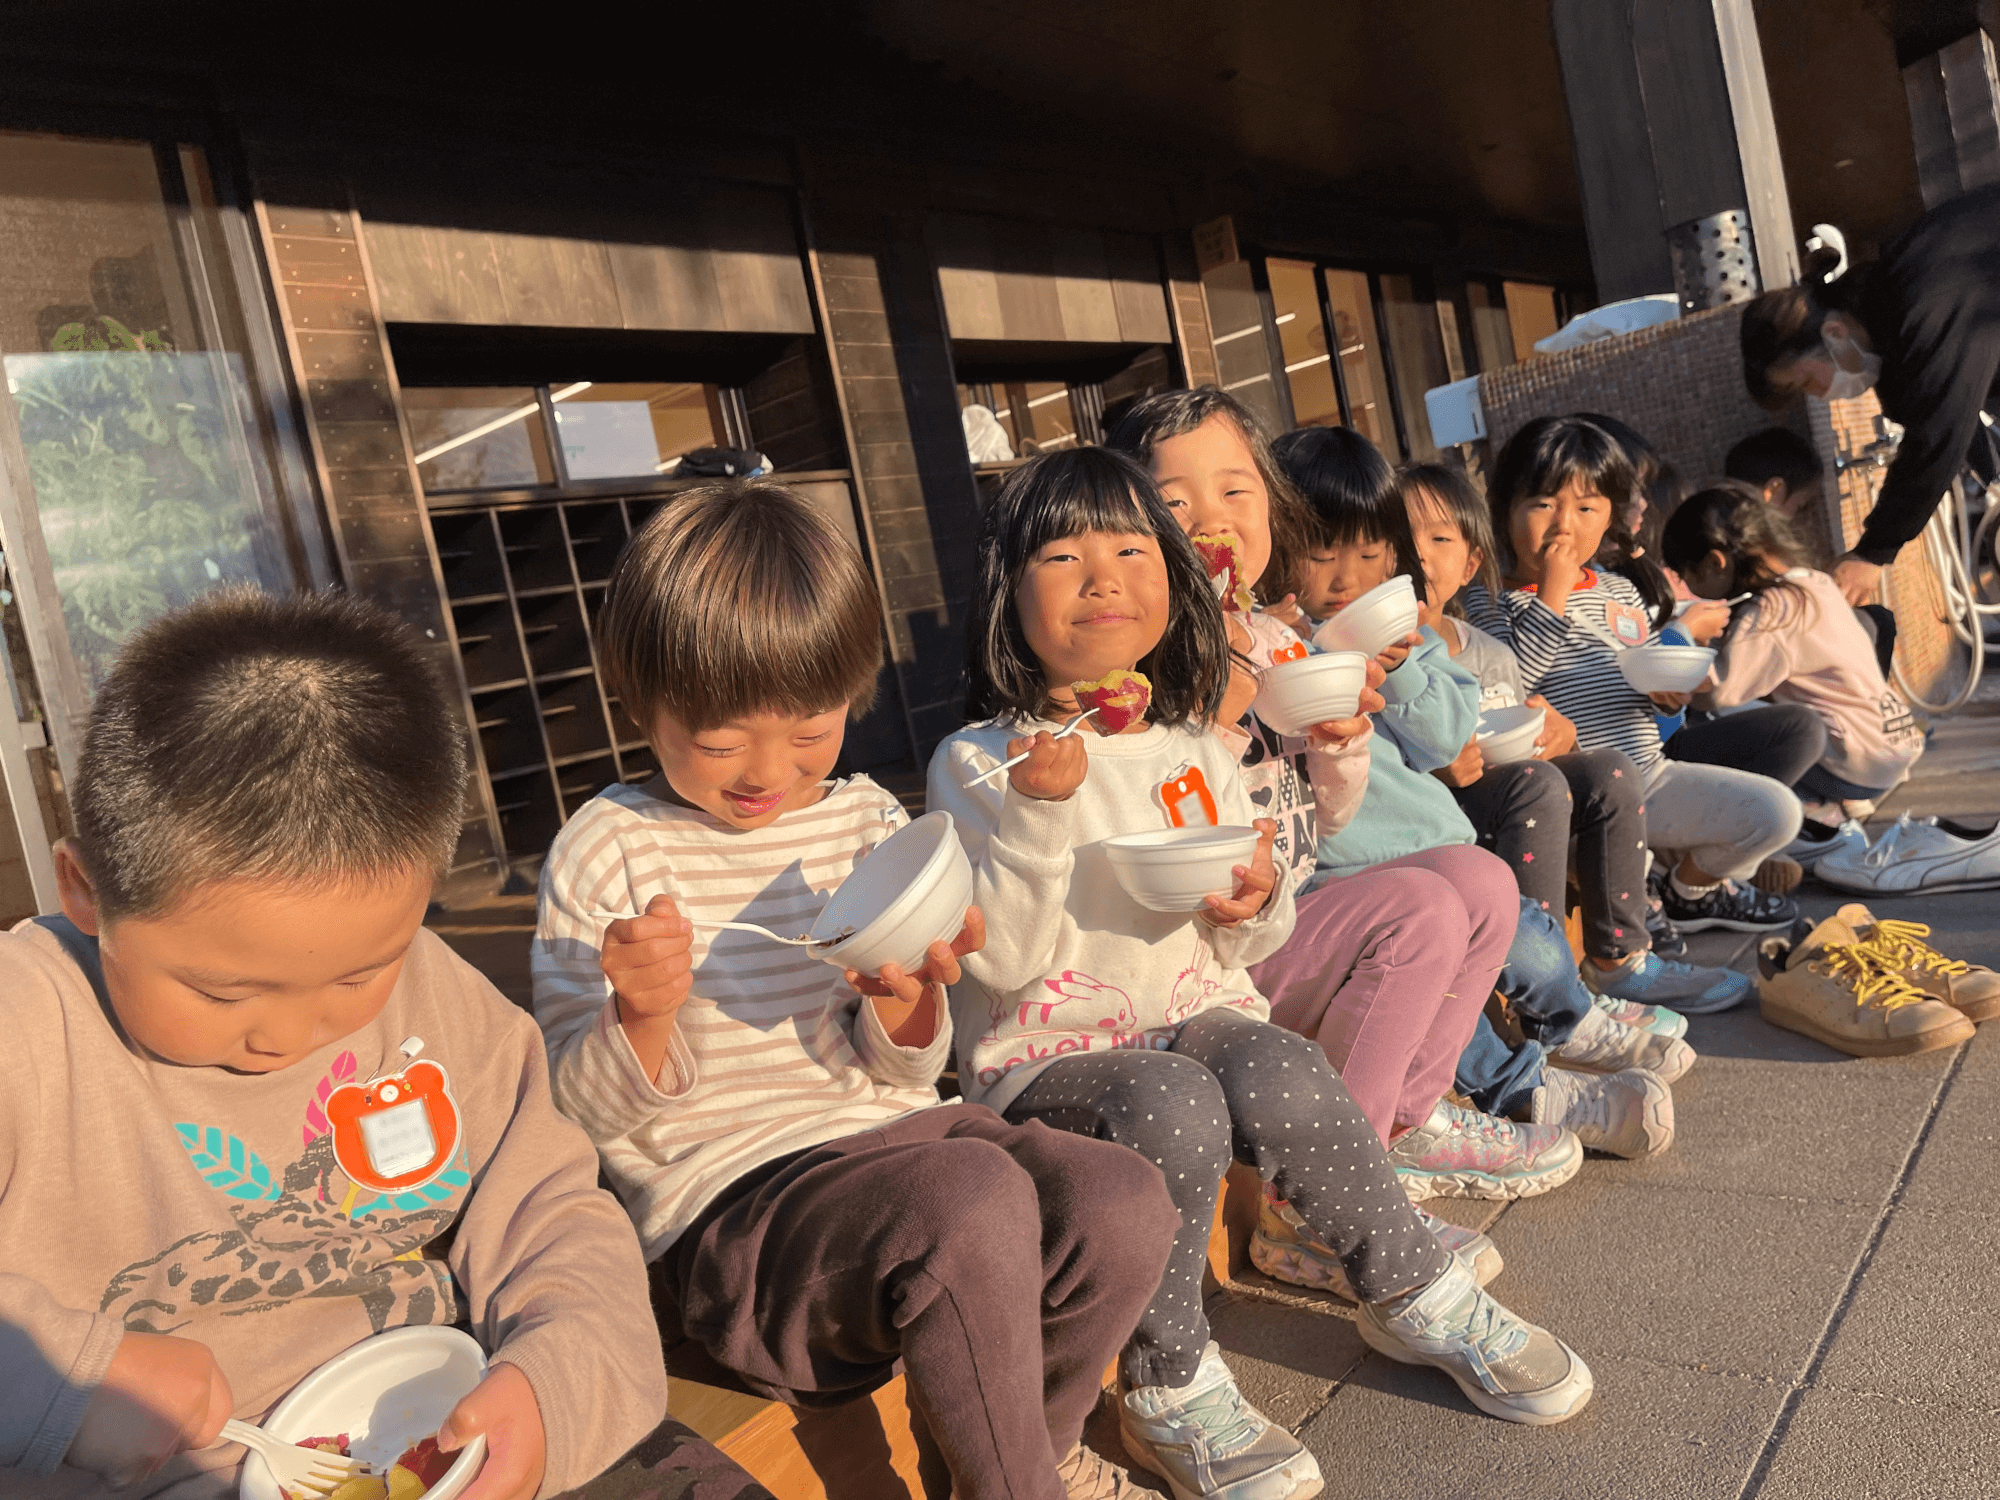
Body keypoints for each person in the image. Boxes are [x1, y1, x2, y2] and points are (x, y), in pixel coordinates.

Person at [930, 449, 1596, 1497]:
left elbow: (1242, 941)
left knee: (1274, 1060)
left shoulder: (1191, 742)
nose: (1103, 577)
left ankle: (1406, 1287)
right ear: (1006, 595)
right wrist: (1039, 813)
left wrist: (1254, 901)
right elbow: (1003, 961)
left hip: (1192, 1016)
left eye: (1129, 550)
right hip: (1051, 1057)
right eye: (1062, 555)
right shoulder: (983, 760)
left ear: (1173, 584)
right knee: (1174, 1095)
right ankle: (1166, 1378)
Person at [532, 482, 1177, 1500]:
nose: (767, 770)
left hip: (906, 1153)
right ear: (635, 703)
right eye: (718, 737)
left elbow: (909, 1067)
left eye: (808, 727)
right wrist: (640, 1020)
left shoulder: (863, 820)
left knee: (1120, 1198)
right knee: (970, 1200)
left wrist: (903, 997)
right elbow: (577, 1115)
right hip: (737, 1220)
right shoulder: (607, 850)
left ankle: (1017, 1459)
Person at [1, 589, 667, 1498]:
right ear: (86, 892)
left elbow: (554, 1215)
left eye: (359, 976)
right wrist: (67, 1383)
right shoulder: (28, 1022)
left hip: (434, 1437)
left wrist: (556, 1389)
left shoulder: (441, 1001)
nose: (286, 1034)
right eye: (220, 989)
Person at [1102, 390, 1565, 1262]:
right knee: (1420, 909)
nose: (1213, 519)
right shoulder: (1134, 655)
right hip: (1198, 960)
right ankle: (1316, 1201)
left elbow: (1328, 816)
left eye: (1237, 492)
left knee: (1481, 878)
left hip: (1275, 918)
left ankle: (1400, 1126)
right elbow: (1151, 800)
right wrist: (1224, 715)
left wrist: (1339, 746)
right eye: (1176, 501)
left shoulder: (1269, 637)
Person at [1268, 428, 1683, 1163]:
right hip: (1350, 877)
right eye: (1323, 552)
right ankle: (1525, 1088)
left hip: (1445, 856)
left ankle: (1570, 1020)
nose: (1346, 577)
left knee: (1516, 931)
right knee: (1445, 954)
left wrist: (1396, 668)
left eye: (1370, 555)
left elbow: (1446, 734)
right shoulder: (1279, 648)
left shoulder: (1414, 640)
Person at [1400, 461, 1752, 1018]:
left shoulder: (1485, 650)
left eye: (1439, 537)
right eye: (1398, 536)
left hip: (1517, 796)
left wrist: (1557, 734)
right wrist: (1440, 761)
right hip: (1448, 813)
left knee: (1605, 769)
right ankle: (1549, 985)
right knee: (1537, 783)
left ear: (1469, 562)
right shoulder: (1389, 649)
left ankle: (1619, 959)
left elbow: (1520, 716)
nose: (1417, 552)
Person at [1465, 415, 1805, 936]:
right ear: (1504, 508)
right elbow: (1514, 681)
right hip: (1577, 803)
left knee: (1777, 812)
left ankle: (1687, 890)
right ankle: (1638, 885)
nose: (1564, 525)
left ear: (1609, 519)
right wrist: (1551, 597)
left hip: (1650, 774)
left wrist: (1668, 697)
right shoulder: (1489, 601)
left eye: (1585, 508)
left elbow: (1642, 682)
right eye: (1542, 504)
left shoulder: (1618, 592)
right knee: (1632, 888)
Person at [1740, 185, 2000, 605]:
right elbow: (1925, 405)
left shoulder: (1920, 299)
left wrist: (1874, 551)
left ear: (1835, 333)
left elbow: (1937, 432)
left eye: (1806, 382)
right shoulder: (1892, 308)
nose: (1820, 395)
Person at [1661, 484, 1924, 846]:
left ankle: (1801, 813)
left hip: (1855, 764)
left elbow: (1714, 692)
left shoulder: (1771, 611)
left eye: (1687, 576)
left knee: (1716, 724)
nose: (1690, 587)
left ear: (1715, 562)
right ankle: (1821, 802)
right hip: (1892, 746)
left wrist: (1684, 635)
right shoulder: (1814, 583)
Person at [1724, 426, 1898, 679]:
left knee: (1872, 621)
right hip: (1763, 652)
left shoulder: (1713, 513)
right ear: (1774, 490)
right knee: (1879, 622)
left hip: (1757, 644)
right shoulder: (1749, 531)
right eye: (1800, 505)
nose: (1795, 516)